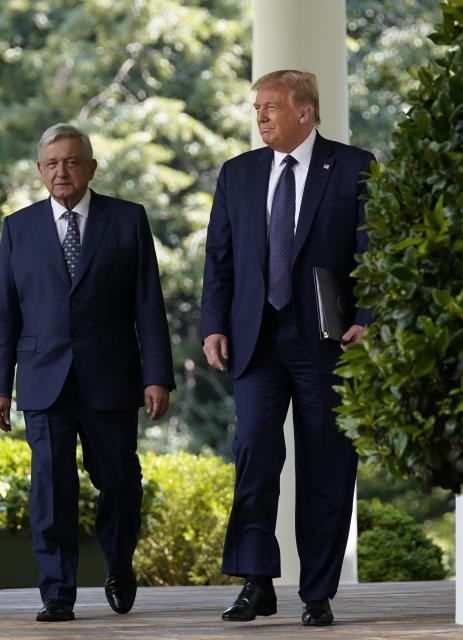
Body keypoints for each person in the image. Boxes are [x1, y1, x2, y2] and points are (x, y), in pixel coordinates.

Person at [200, 70, 376, 627]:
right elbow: (218, 261)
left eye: (272, 107)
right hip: (256, 340)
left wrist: (368, 319)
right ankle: (256, 582)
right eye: (257, 108)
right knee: (253, 452)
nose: (261, 116)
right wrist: (213, 326)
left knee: (326, 462)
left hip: (326, 341)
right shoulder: (238, 174)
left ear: (306, 112)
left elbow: (377, 251)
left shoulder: (354, 167)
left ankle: (317, 592)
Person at [0, 123, 175, 623]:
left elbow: (148, 304)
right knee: (50, 489)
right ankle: (57, 593)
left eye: (71, 162)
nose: (61, 172)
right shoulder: (18, 228)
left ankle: (118, 566)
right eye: (51, 164)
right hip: (44, 380)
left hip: (111, 378)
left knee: (118, 483)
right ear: (40, 171)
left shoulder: (128, 220)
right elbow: (5, 313)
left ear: (91, 167)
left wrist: (157, 375)